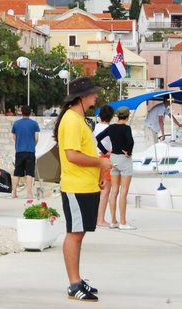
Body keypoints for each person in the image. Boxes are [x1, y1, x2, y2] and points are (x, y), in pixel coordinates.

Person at [54, 76, 111, 302]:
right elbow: (72, 155)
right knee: (74, 234)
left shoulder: (80, 119)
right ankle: (74, 283)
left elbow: (86, 151)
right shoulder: (71, 120)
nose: (96, 96)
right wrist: (100, 164)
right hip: (75, 186)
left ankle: (77, 279)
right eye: (93, 92)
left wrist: (98, 174)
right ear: (82, 97)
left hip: (85, 186)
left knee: (80, 232)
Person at [103, 106, 137, 230]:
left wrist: (105, 151)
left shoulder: (111, 127)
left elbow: (97, 138)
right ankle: (123, 222)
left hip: (113, 159)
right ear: (127, 117)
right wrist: (129, 152)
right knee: (124, 192)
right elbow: (131, 142)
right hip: (124, 159)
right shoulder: (126, 128)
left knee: (114, 191)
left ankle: (113, 221)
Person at [11, 106, 41, 199]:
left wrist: (18, 144)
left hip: (19, 150)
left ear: (21, 112)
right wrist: (33, 145)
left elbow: (14, 137)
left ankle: (14, 191)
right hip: (30, 150)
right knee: (29, 172)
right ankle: (29, 193)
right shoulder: (34, 124)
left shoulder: (16, 123)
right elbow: (36, 138)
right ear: (30, 113)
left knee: (17, 172)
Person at [93, 105, 115, 227]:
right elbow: (111, 147)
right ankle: (100, 219)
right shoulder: (109, 129)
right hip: (104, 159)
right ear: (111, 117)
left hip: (94, 158)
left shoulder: (95, 127)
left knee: (96, 189)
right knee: (106, 190)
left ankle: (94, 217)